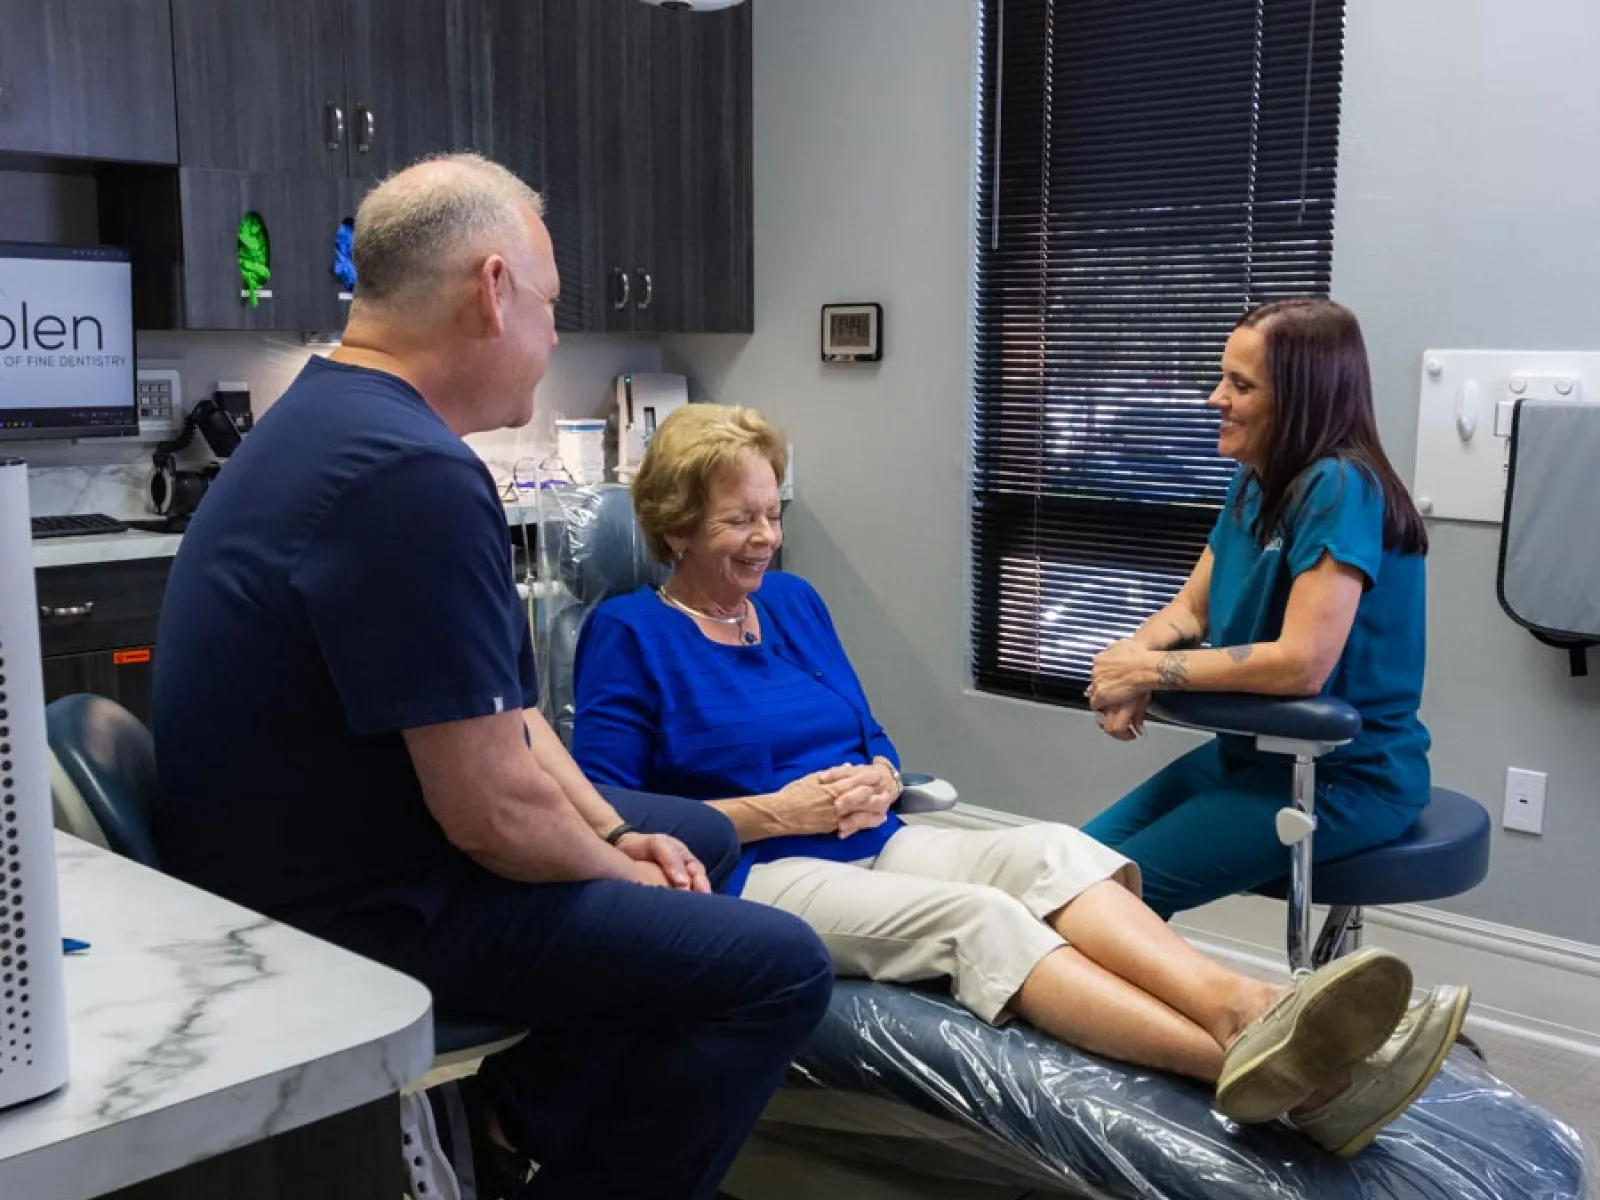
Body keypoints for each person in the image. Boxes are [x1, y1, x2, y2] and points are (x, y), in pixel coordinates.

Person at [150, 155, 833, 1200]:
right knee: (777, 967)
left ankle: (523, 1112)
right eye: (552, 305)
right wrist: (622, 875)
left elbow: (507, 717)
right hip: (357, 910)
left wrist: (612, 834)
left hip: (310, 855)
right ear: (494, 286)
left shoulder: (330, 419)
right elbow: (492, 816)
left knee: (693, 832)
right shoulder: (410, 474)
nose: (555, 335)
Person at [570, 402, 1472, 1158]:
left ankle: (1251, 1009)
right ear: (675, 525)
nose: (766, 537)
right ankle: (1232, 1064)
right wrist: (770, 812)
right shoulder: (630, 634)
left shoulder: (796, 605)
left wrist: (882, 776)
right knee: (980, 919)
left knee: (1054, 851)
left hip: (871, 837)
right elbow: (613, 810)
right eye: (739, 521)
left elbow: (870, 733)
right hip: (755, 880)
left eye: (772, 513)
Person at [1082, 299, 1434, 924]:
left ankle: (1251, 1017)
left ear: (1300, 398)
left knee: (1098, 906)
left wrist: (1145, 674)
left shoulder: (1341, 487)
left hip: (1339, 778)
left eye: (1240, 385)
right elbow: (1191, 609)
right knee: (1060, 866)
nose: (1216, 398)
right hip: (1248, 757)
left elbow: (1301, 666)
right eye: (1222, 377)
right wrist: (1136, 661)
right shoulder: (1254, 479)